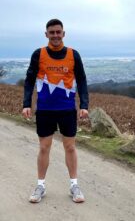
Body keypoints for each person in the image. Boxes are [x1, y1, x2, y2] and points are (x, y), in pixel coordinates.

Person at [22, 19, 89, 203]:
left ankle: (74, 185)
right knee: (44, 148)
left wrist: (84, 105)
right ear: (46, 35)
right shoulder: (39, 54)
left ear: (64, 33)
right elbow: (29, 81)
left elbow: (82, 81)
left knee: (70, 147)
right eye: (52, 32)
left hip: (67, 109)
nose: (55, 35)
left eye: (58, 32)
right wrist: (26, 103)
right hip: (44, 110)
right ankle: (40, 186)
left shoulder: (73, 55)